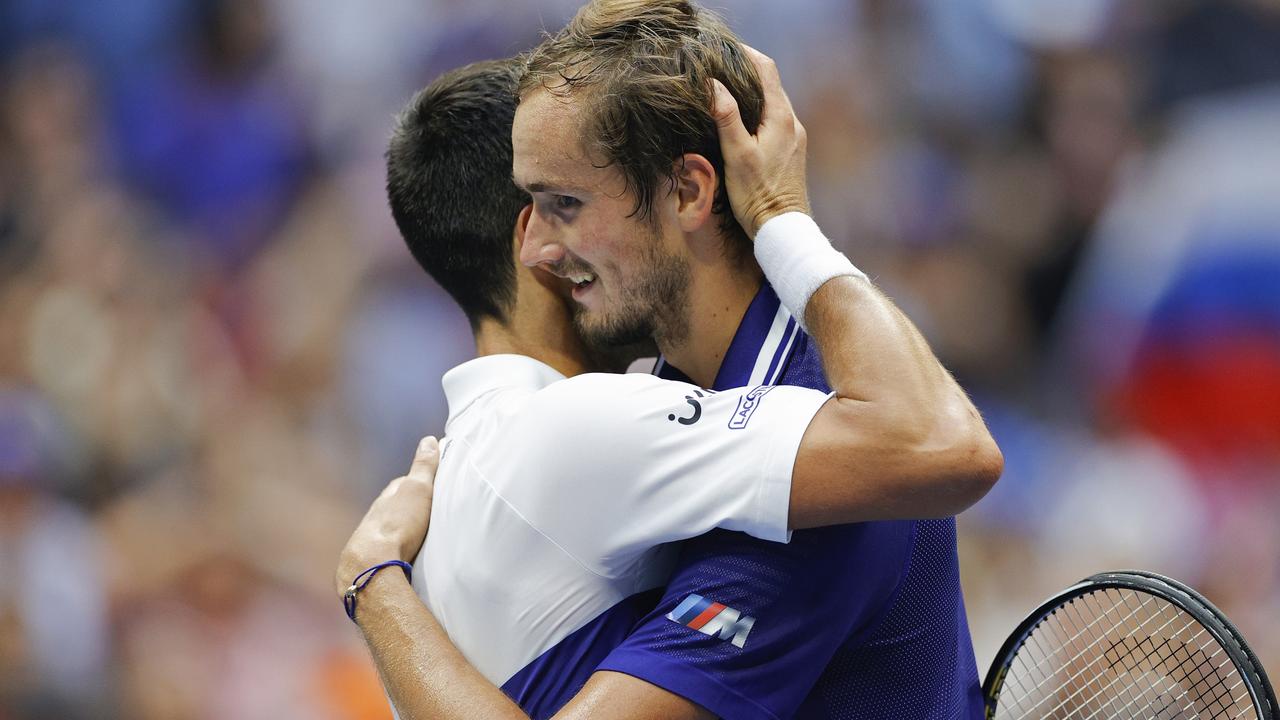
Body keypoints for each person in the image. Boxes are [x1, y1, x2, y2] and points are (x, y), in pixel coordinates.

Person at [338, 2, 1001, 718]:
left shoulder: (827, 483)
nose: (535, 249)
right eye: (531, 207)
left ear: (687, 191)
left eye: (564, 203)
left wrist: (373, 582)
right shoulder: (676, 412)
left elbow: (947, 449)